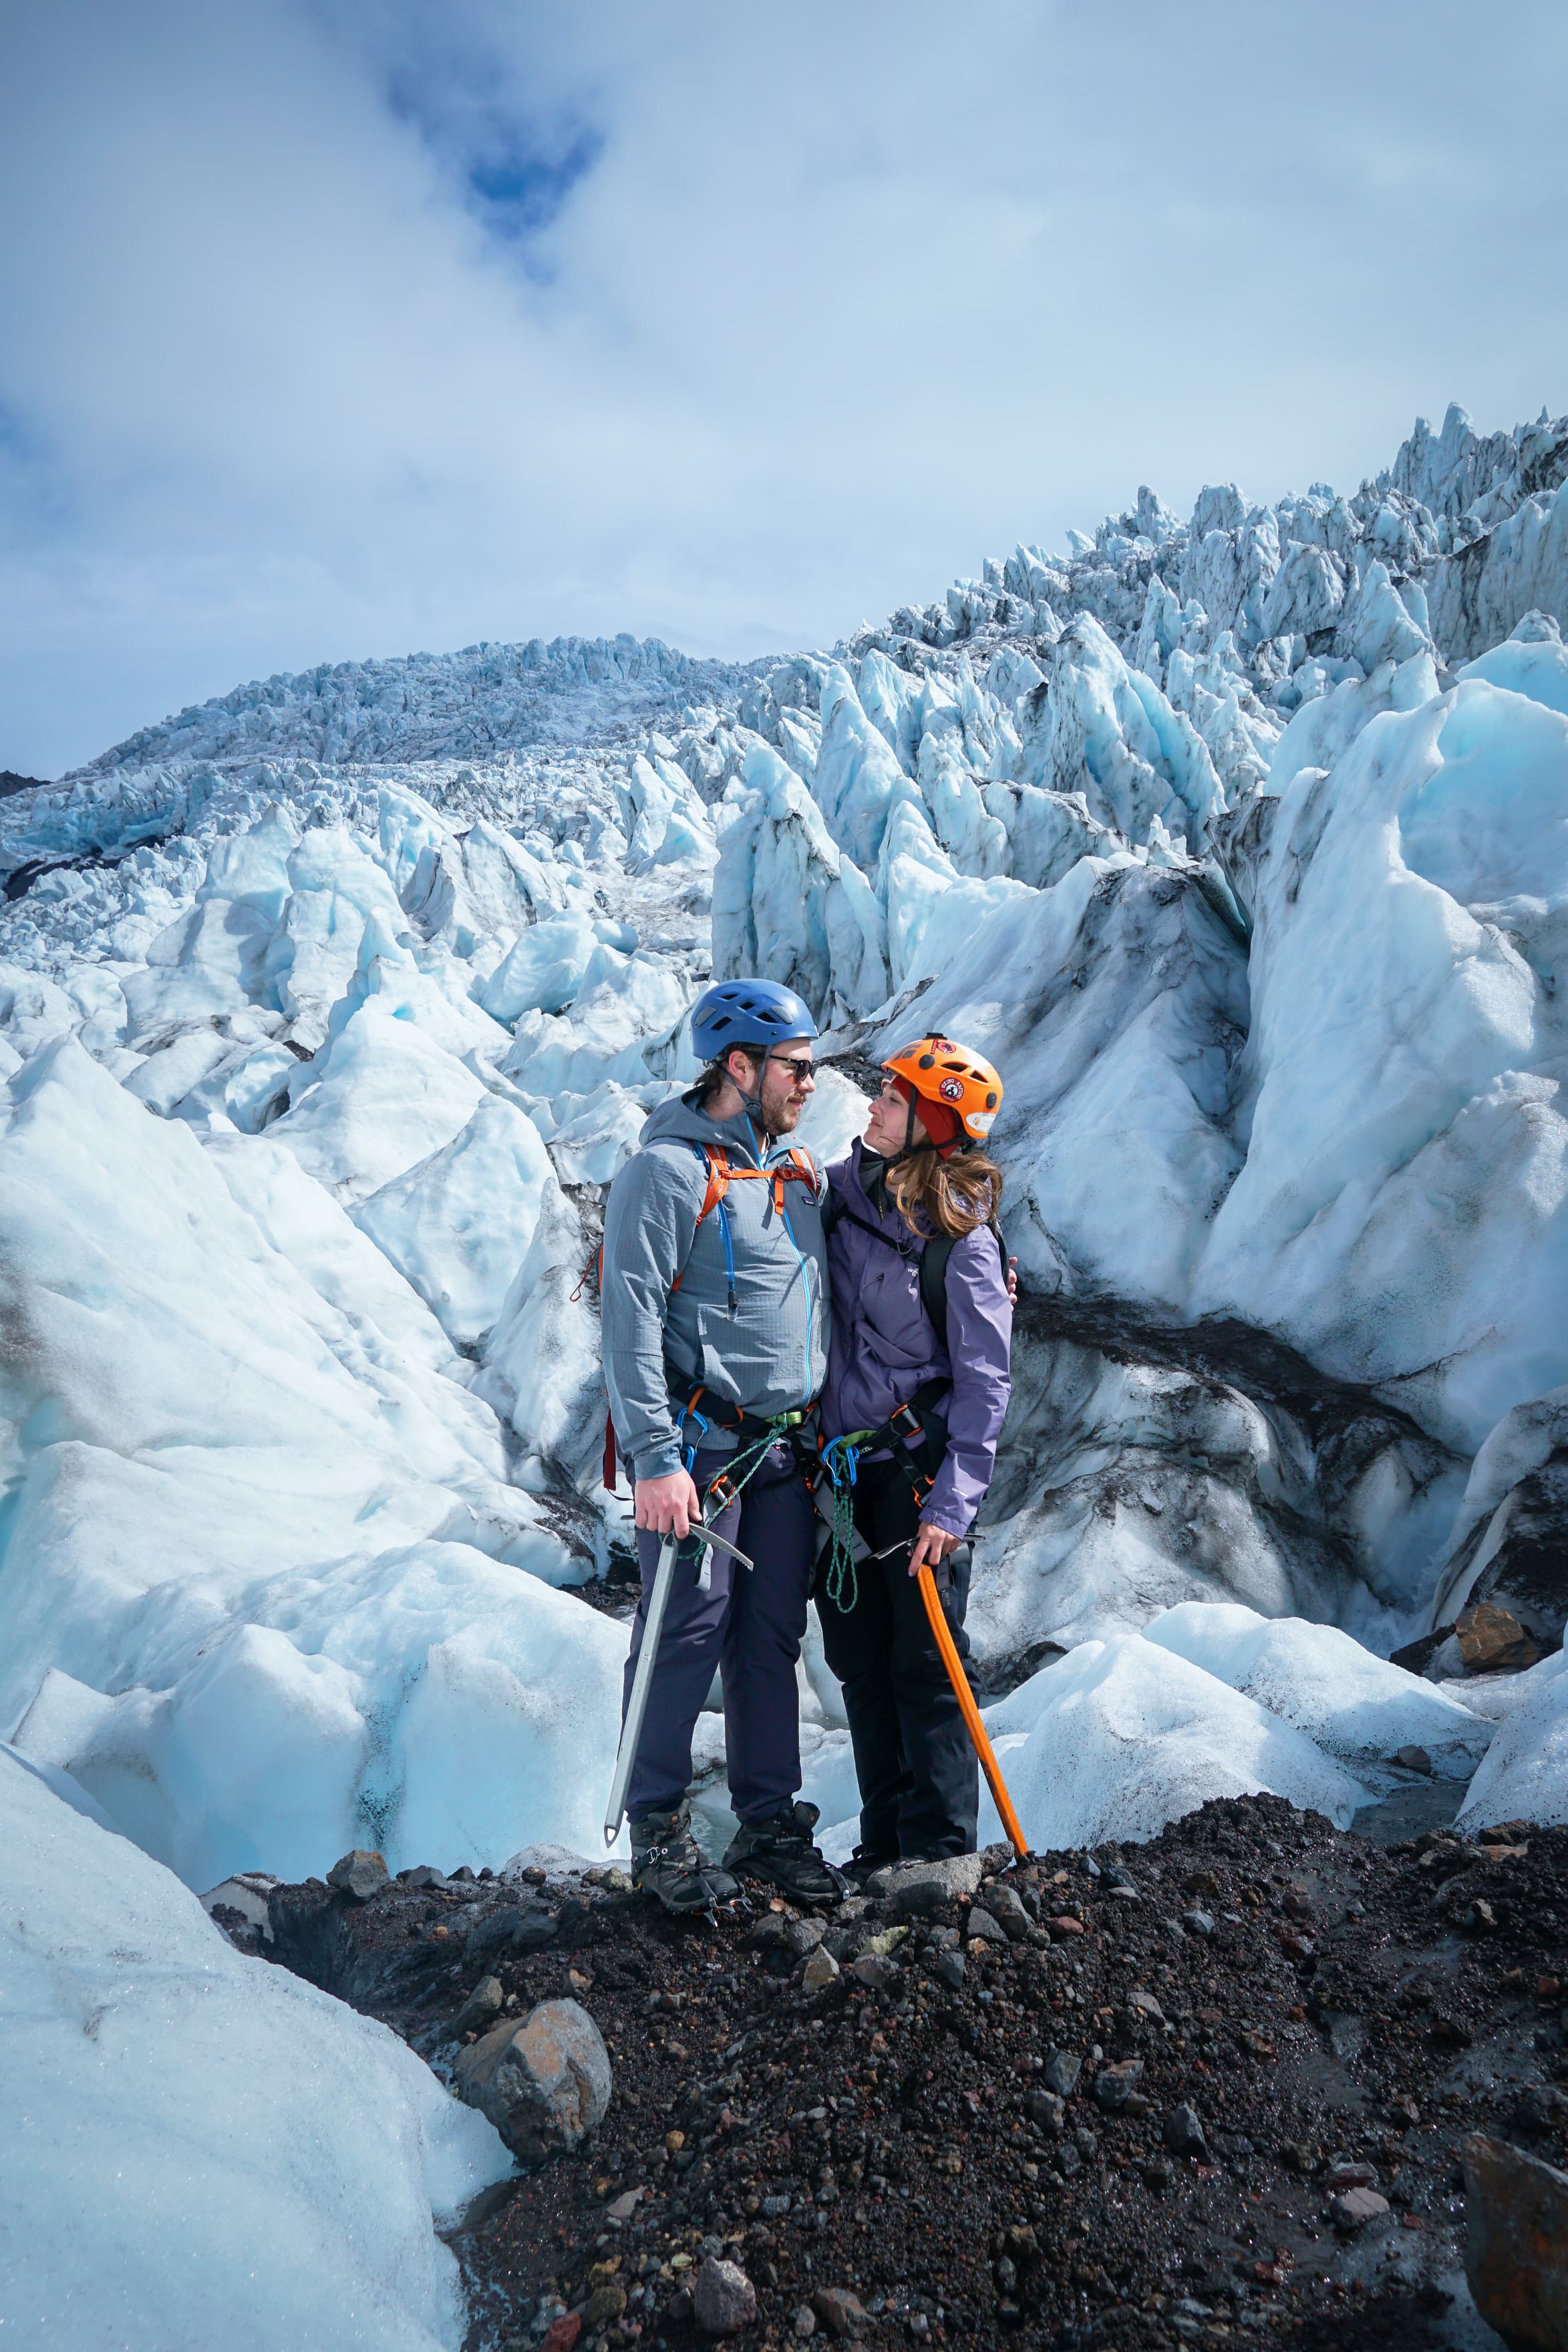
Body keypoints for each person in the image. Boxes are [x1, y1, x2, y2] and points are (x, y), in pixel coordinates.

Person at [599, 977, 844, 1915]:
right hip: (701, 1455)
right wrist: (655, 1460)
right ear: (738, 1066)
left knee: (768, 1638)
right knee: (682, 1633)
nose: (809, 1083)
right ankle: (656, 1828)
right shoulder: (664, 1174)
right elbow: (628, 1325)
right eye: (795, 1068)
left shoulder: (791, 1172)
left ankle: (767, 1824)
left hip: (783, 1453)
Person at [815, 1035, 1013, 1872]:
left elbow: (985, 1382)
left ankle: (936, 1858)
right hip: (839, 1478)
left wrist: (951, 1506)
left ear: (931, 1123)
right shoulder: (840, 1194)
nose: (873, 1105)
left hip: (914, 1478)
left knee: (926, 1665)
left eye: (893, 1099)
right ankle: (882, 1845)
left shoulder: (961, 1242)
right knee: (860, 1662)